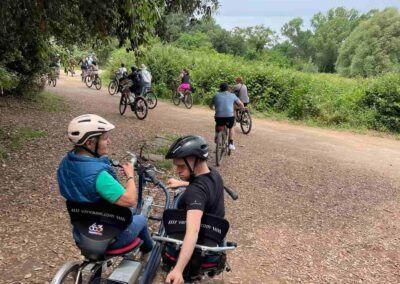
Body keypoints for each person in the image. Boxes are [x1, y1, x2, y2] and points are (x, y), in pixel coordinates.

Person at [57, 114, 154, 253]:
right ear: (90, 142)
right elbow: (131, 200)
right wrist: (130, 175)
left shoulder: (65, 164)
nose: (109, 141)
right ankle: (149, 253)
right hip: (110, 236)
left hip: (81, 231)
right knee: (142, 218)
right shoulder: (99, 176)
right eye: (105, 138)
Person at [164, 135, 225, 284]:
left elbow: (193, 231)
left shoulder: (194, 192)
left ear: (195, 159)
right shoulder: (214, 175)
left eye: (181, 166)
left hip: (197, 248)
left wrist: (178, 270)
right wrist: (182, 183)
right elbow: (202, 188)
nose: (177, 170)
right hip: (213, 240)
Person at [209, 83, 244, 151]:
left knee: (218, 124)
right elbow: (240, 104)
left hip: (219, 116)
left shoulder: (216, 95)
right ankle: (231, 143)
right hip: (229, 116)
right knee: (231, 127)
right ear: (228, 88)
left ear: (220, 89)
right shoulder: (232, 95)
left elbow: (210, 106)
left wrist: (214, 108)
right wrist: (241, 108)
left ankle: (217, 136)